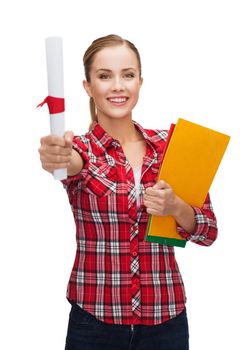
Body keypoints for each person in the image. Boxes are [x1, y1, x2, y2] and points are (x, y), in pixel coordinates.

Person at [39, 34, 218, 350]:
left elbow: (207, 232)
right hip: (94, 322)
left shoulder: (171, 146)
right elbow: (72, 164)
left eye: (128, 75)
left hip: (166, 320)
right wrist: (58, 156)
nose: (118, 86)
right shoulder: (81, 149)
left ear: (140, 82)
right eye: (105, 76)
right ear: (88, 86)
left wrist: (176, 207)